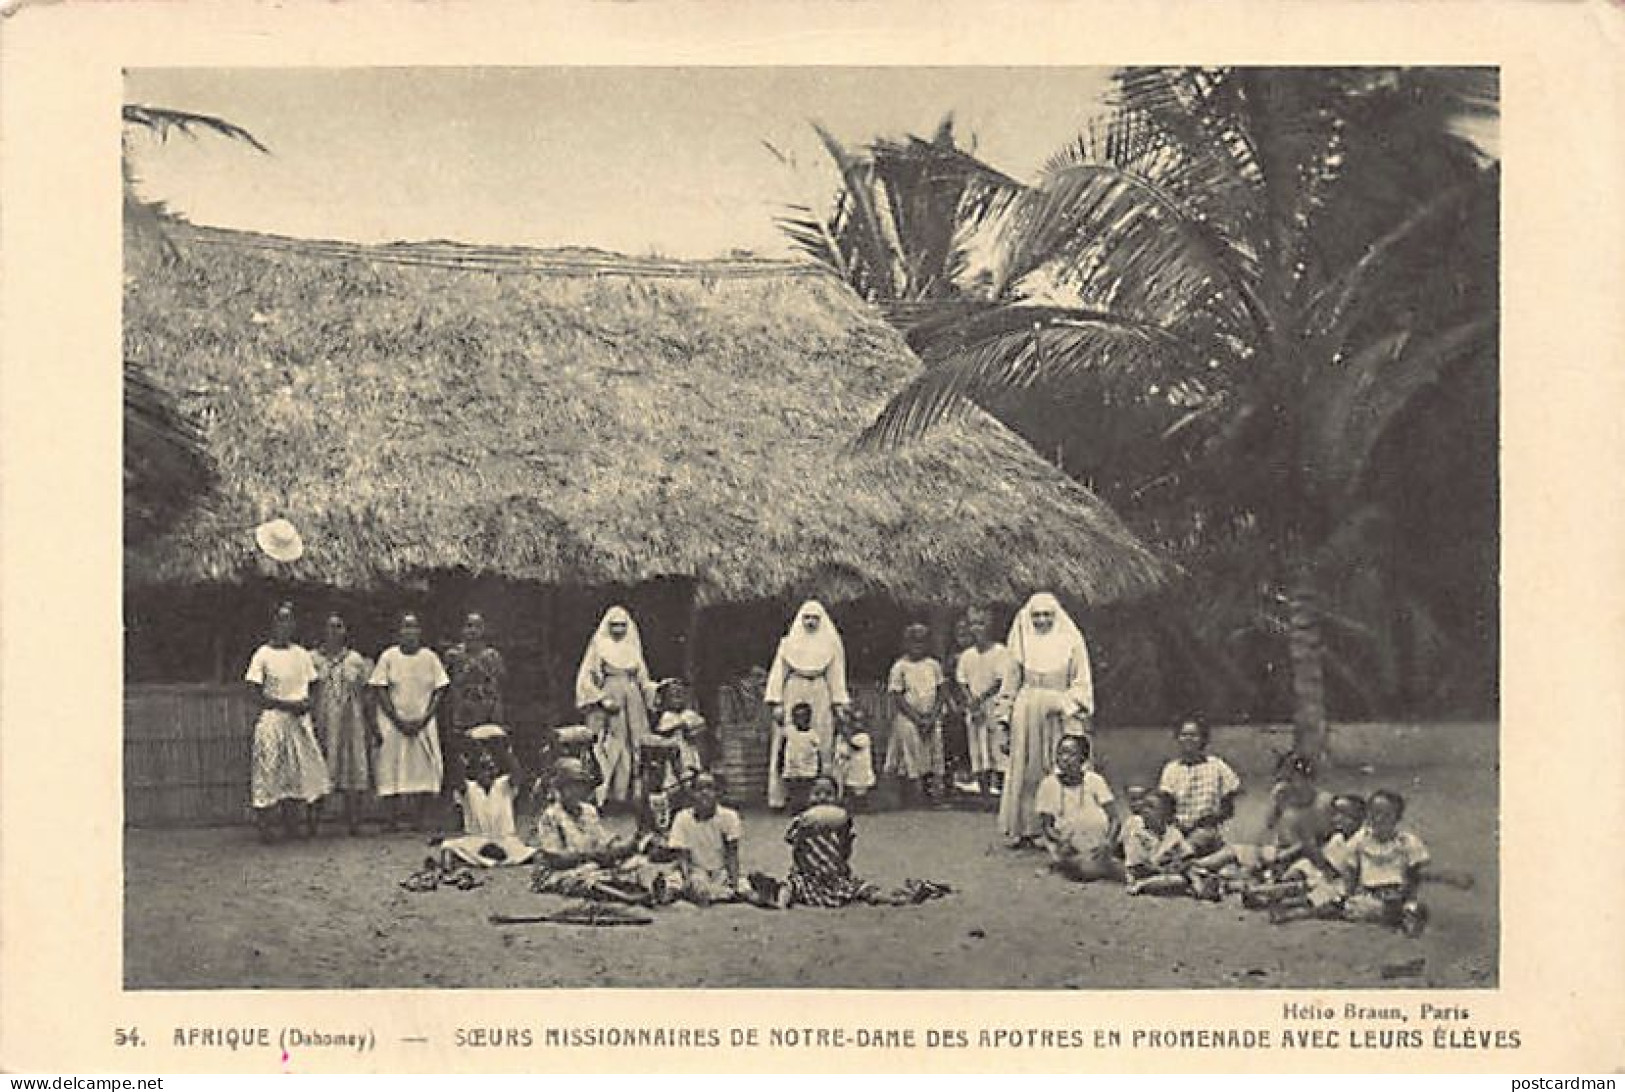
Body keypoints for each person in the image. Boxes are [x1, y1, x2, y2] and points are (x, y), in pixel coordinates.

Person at [995, 593, 1094, 847]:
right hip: (1027, 712)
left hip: (1061, 711)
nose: (1041, 620)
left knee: (1062, 767)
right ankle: (1028, 830)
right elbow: (1010, 684)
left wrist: (1066, 705)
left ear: (1057, 615)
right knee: (1028, 772)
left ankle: (1066, 831)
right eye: (1036, 615)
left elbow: (1081, 682)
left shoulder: (1072, 641)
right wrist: (1004, 722)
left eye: (1047, 615)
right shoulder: (1021, 643)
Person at [1188, 751, 1331, 898]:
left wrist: (1282, 856)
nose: (1288, 783)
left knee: (1286, 876)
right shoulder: (1282, 795)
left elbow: (1318, 841)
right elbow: (1269, 827)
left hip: (1306, 857)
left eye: (1292, 778)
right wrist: (1275, 804)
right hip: (1279, 851)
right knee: (1234, 851)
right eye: (1285, 778)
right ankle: (1193, 866)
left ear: (1307, 778)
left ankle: (1223, 883)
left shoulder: (1323, 802)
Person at [245, 602, 332, 841]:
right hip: (274, 720)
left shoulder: (301, 654)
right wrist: (286, 705)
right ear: (272, 624)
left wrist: (307, 703)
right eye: (280, 620)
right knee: (269, 771)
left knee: (302, 771)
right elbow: (254, 692)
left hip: (299, 720)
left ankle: (293, 826)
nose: (285, 626)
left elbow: (314, 684)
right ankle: (265, 829)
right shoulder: (262, 654)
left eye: (289, 621)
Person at [530, 757, 671, 905]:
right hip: (560, 871)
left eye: (581, 786)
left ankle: (649, 890)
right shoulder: (551, 816)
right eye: (572, 786)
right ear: (560, 788)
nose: (577, 791)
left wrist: (633, 843)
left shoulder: (589, 811)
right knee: (586, 879)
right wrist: (593, 856)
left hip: (591, 864)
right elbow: (555, 858)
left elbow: (605, 843)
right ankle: (628, 897)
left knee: (637, 863)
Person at [368, 612, 450, 833]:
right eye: (405, 627)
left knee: (424, 768)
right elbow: (380, 689)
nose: (410, 632)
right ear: (398, 632)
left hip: (423, 721)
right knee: (391, 767)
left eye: (414, 627)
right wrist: (396, 719)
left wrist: (425, 718)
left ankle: (418, 819)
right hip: (393, 722)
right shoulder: (388, 657)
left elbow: (440, 689)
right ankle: (391, 819)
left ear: (420, 632)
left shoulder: (430, 657)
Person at [763, 601, 849, 810]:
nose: (810, 622)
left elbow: (836, 675)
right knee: (790, 741)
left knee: (822, 740)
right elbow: (777, 674)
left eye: (815, 618)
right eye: (807, 618)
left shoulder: (830, 645)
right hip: (793, 689)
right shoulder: (787, 644)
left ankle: (824, 793)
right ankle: (783, 796)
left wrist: (839, 703)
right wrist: (777, 703)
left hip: (820, 690)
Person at [575, 605, 655, 811]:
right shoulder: (599, 646)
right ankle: (607, 795)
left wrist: (652, 693)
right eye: (614, 626)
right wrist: (600, 699)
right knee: (610, 744)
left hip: (633, 698)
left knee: (635, 742)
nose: (618, 630)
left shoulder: (632, 647)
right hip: (611, 696)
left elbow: (643, 677)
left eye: (622, 626)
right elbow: (586, 677)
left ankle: (631, 795)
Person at [310, 612, 374, 835]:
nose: (334, 632)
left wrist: (371, 726)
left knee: (353, 770)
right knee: (318, 770)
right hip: (323, 721)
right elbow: (307, 692)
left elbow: (367, 696)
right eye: (329, 627)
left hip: (352, 723)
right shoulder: (312, 660)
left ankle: (353, 822)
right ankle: (313, 823)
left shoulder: (356, 660)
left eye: (338, 627)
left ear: (345, 631)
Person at [782, 775, 890, 907]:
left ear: (837, 798)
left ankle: (890, 899)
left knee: (861, 887)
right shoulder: (802, 820)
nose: (822, 797)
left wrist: (844, 834)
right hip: (807, 877)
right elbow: (795, 848)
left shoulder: (842, 820)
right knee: (788, 887)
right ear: (808, 797)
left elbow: (845, 852)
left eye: (828, 794)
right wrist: (804, 831)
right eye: (816, 793)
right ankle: (780, 904)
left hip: (835, 876)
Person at [439, 725, 536, 868]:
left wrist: (503, 746)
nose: (487, 772)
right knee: (449, 846)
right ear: (474, 770)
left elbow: (516, 772)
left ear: (496, 770)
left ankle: (487, 859)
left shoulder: (503, 785)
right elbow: (457, 771)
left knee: (528, 852)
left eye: (490, 768)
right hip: (477, 841)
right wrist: (463, 747)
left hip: (505, 840)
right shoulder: (469, 788)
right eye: (482, 768)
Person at [1337, 789, 1431, 936]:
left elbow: (1416, 872)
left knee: (1413, 907)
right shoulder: (1360, 840)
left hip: (1397, 893)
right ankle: (1392, 917)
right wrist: (1349, 893)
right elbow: (1350, 868)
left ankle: (1403, 916)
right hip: (1369, 893)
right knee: (1355, 906)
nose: (1379, 819)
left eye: (1386, 815)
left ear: (1397, 818)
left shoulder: (1406, 841)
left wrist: (1408, 894)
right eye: (1374, 814)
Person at [442, 612, 507, 806]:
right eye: (468, 626)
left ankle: (492, 804)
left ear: (484, 629)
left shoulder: (492, 656)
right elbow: (446, 685)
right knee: (463, 762)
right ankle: (462, 807)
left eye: (477, 626)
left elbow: (499, 684)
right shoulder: (453, 656)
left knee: (491, 760)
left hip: (488, 714)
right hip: (462, 716)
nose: (472, 631)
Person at [1036, 735, 1118, 881]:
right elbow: (1047, 826)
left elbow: (1114, 818)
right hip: (1067, 846)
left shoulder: (1095, 780)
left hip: (1100, 844)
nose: (1065, 758)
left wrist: (1108, 842)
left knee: (1096, 868)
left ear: (1083, 758)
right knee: (1086, 872)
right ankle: (1068, 864)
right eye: (1060, 753)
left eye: (1071, 754)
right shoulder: (1048, 784)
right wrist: (1061, 841)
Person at [1157, 718, 1242, 856]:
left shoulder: (1217, 766)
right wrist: (1178, 826)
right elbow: (1166, 808)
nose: (1188, 739)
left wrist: (1207, 820)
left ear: (1203, 739)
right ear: (1178, 738)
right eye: (1184, 735)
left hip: (1206, 829)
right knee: (1165, 850)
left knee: (1188, 848)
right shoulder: (1171, 769)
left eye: (1193, 735)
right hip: (1178, 829)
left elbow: (1228, 808)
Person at [666, 772, 750, 905]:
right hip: (695, 870)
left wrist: (734, 884)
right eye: (699, 789)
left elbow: (732, 854)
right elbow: (682, 857)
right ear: (692, 793)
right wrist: (689, 880)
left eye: (710, 788)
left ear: (718, 793)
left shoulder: (729, 817)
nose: (704, 793)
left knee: (745, 889)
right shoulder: (682, 818)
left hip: (721, 871)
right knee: (675, 882)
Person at [885, 623, 946, 806]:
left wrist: (932, 716)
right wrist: (917, 718)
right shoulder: (900, 667)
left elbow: (941, 691)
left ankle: (933, 793)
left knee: (934, 751)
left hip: (931, 716)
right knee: (911, 752)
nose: (917, 646)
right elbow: (897, 696)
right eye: (914, 642)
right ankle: (913, 794)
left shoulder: (933, 665)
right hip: (909, 717)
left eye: (922, 642)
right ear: (906, 643)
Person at [956, 606, 1012, 802]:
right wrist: (971, 701)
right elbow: (962, 681)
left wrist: (980, 700)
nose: (977, 629)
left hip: (994, 706)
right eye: (973, 625)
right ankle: (984, 794)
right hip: (974, 708)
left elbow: (1000, 681)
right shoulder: (967, 655)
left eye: (981, 624)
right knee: (977, 749)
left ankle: (1003, 794)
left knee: (997, 748)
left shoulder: (1000, 652)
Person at [640, 678, 706, 835]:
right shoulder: (666, 717)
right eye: (673, 695)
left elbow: (698, 731)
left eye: (680, 695)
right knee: (672, 787)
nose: (677, 699)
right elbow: (663, 733)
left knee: (692, 782)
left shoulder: (690, 714)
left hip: (689, 753)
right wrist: (680, 727)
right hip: (672, 757)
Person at [1119, 789, 1195, 896]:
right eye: (1144, 806)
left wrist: (1178, 866)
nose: (1144, 810)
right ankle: (1142, 884)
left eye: (1151, 807)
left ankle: (1145, 885)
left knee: (1179, 880)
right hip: (1137, 870)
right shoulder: (1136, 826)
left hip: (1159, 873)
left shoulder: (1173, 833)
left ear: (1166, 814)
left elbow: (1188, 856)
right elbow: (1136, 864)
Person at [778, 701, 824, 814]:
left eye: (803, 717)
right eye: (797, 717)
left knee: (805, 789)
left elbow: (817, 753)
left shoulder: (812, 735)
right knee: (793, 788)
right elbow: (782, 748)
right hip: (791, 767)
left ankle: (805, 809)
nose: (800, 720)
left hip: (808, 767)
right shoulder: (789, 732)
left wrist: (818, 769)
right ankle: (794, 808)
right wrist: (780, 764)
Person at [833, 706, 877, 810]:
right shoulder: (848, 736)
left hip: (861, 769)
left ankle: (863, 806)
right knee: (850, 786)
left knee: (860, 789)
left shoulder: (863, 737)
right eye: (855, 722)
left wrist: (843, 731)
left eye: (860, 722)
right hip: (852, 768)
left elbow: (854, 746)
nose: (857, 725)